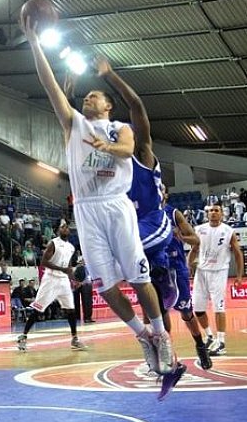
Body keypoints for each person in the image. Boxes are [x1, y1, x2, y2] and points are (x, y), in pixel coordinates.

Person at [24, 16, 177, 396]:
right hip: (86, 210)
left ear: (108, 105)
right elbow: (48, 85)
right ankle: (142, 335)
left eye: (95, 96)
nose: (88, 99)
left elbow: (126, 148)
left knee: (138, 277)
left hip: (116, 205)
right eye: (86, 96)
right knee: (105, 287)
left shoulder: (119, 127)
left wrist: (106, 146)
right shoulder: (73, 124)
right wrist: (33, 40)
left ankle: (161, 335)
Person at [96, 55, 190, 383]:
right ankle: (154, 345)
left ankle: (164, 333)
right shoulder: (111, 166)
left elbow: (136, 105)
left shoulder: (143, 153)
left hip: (154, 224)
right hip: (128, 229)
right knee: (106, 283)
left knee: (154, 291)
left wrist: (110, 75)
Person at [162, 186, 210, 369]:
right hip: (156, 268)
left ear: (166, 194)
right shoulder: (143, 214)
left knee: (186, 312)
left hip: (176, 268)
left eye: (161, 189)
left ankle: (200, 346)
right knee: (158, 313)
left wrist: (180, 236)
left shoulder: (174, 214)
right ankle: (166, 355)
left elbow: (196, 240)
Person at [17, 222, 86, 351]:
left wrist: (74, 280)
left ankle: (74, 339)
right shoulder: (53, 243)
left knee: (71, 309)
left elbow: (68, 267)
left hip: (63, 280)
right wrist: (62, 269)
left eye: (67, 227)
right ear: (58, 230)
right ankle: (23, 336)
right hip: (50, 279)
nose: (65, 229)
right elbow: (44, 262)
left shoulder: (71, 247)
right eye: (62, 227)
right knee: (38, 309)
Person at [189, 202, 243, 357]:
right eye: (211, 210)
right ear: (207, 214)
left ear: (222, 213)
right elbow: (194, 249)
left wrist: (239, 275)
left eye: (216, 210)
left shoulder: (228, 231)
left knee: (219, 308)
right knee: (198, 309)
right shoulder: (199, 229)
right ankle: (209, 336)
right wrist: (189, 265)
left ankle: (221, 342)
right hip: (201, 272)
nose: (213, 212)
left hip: (219, 272)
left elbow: (238, 254)